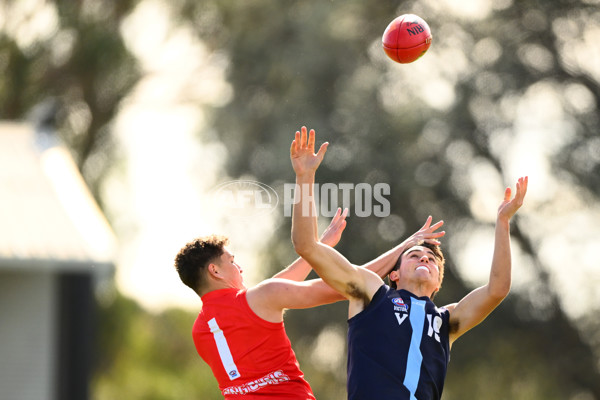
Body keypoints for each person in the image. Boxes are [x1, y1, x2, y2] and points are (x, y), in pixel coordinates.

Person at [290, 126, 528, 400]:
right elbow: (306, 245)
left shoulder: (446, 320)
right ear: (394, 274)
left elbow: (497, 289)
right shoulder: (370, 295)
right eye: (414, 255)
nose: (424, 257)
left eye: (432, 259)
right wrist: (305, 177)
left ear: (439, 281)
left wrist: (503, 222)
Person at [174, 208, 445, 399]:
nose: (240, 268)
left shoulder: (200, 331)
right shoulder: (262, 297)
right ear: (215, 271)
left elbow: (276, 286)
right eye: (232, 262)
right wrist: (403, 247)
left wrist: (319, 246)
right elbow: (350, 284)